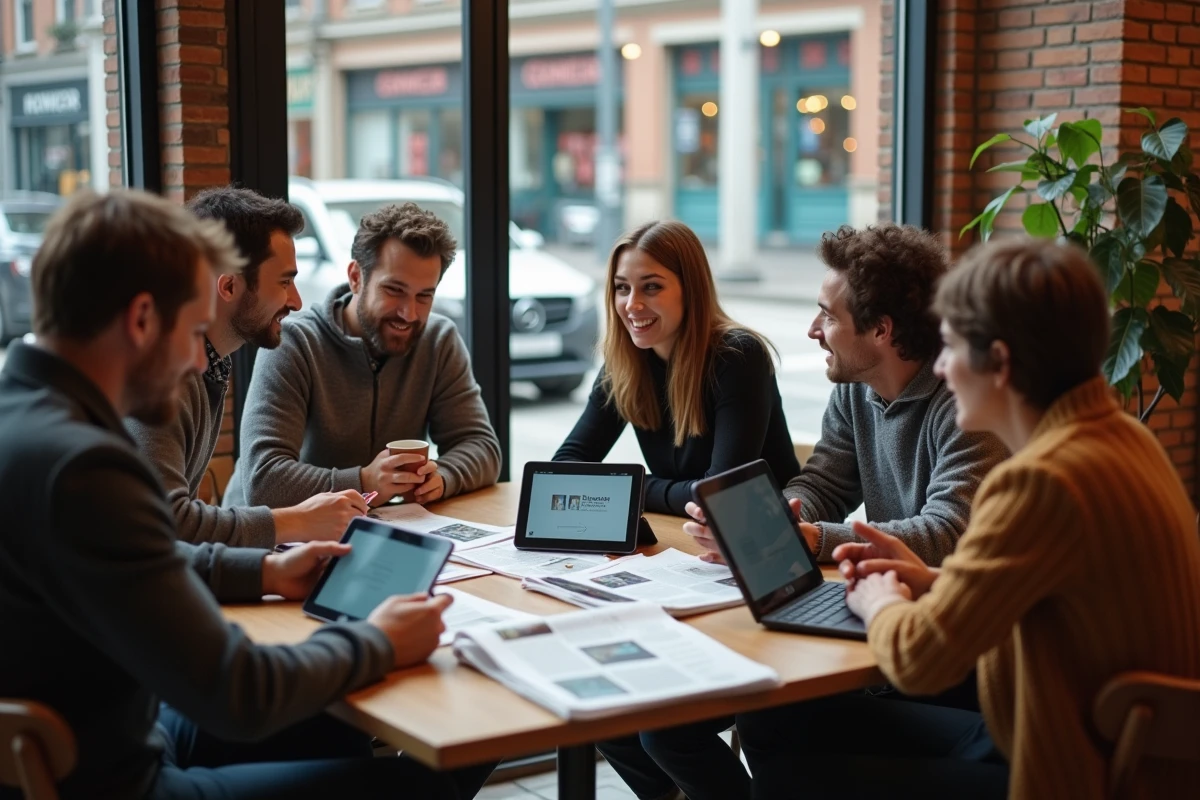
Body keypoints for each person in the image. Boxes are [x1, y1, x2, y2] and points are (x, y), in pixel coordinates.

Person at [0, 189, 493, 799]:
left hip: (119, 732)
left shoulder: (25, 419)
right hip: (125, 779)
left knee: (333, 725)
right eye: (188, 329)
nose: (193, 361)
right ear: (141, 319)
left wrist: (265, 568)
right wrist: (380, 640)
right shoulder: (81, 466)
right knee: (443, 766)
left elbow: (140, 557)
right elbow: (240, 693)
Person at [743, 238, 1200, 798]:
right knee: (777, 721)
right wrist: (934, 582)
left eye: (951, 346)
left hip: (1068, 772)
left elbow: (919, 660)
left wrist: (879, 599)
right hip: (1086, 743)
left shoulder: (1042, 480)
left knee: (786, 778)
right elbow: (1050, 595)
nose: (938, 365)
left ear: (1000, 363)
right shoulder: (1125, 439)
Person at [620, 224, 1008, 800]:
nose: (811, 330)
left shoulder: (964, 404)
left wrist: (807, 538)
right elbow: (824, 479)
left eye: (826, 316)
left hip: (946, 657)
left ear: (881, 330)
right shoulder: (856, 389)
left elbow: (946, 531)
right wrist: (762, 523)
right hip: (883, 618)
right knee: (671, 729)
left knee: (772, 739)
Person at [126, 186, 369, 548]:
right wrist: (298, 521)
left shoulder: (208, 363)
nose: (297, 301)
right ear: (228, 287)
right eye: (285, 281)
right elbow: (166, 523)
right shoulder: (162, 371)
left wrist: (270, 569)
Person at [224, 201, 501, 510]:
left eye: (424, 296)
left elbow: (483, 447)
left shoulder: (438, 339)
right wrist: (365, 481)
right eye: (394, 290)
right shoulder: (294, 342)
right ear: (356, 277)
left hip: (372, 530)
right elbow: (264, 482)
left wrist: (443, 477)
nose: (409, 313)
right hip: (268, 540)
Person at [553, 219, 801, 516]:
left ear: (690, 289)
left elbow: (721, 495)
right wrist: (643, 490)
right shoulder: (625, 361)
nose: (632, 304)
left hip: (760, 538)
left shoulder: (738, 356)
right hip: (681, 533)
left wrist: (628, 488)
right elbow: (564, 469)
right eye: (622, 288)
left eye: (651, 287)